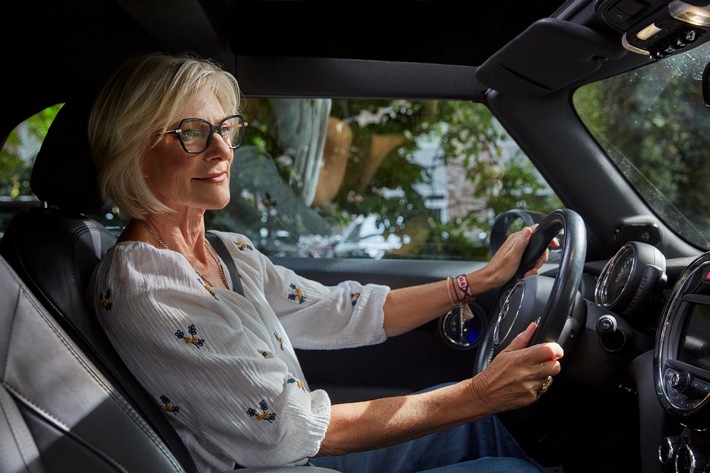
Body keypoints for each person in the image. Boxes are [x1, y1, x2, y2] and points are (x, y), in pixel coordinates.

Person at [87, 52, 563, 473]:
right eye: (193, 133)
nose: (223, 150)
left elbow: (341, 310)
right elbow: (288, 426)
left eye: (226, 128)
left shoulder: (227, 252)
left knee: (490, 429)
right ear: (134, 149)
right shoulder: (146, 285)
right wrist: (479, 393)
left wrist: (480, 281)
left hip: (298, 457)